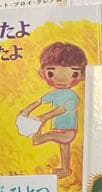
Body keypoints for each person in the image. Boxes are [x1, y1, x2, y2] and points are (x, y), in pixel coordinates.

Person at [19, 41, 87, 179]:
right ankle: (66, 170)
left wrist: (44, 117)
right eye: (51, 73)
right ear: (42, 73)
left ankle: (38, 136)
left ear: (82, 75)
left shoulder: (72, 96)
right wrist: (26, 110)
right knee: (64, 148)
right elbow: (39, 101)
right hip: (60, 129)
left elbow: (62, 109)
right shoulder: (55, 94)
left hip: (68, 131)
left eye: (73, 73)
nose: (61, 79)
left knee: (42, 138)